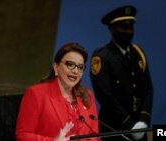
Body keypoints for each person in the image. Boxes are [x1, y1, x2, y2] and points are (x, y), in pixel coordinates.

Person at [90, 5, 153, 141]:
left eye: (131, 27)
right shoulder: (102, 57)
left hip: (140, 127)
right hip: (114, 129)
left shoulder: (138, 53)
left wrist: (143, 120)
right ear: (112, 29)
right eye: (124, 27)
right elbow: (106, 97)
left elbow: (148, 89)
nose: (129, 31)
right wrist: (130, 126)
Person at [16, 42, 100, 141]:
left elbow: (94, 136)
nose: (75, 71)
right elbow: (23, 135)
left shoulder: (87, 95)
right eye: (70, 64)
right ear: (56, 67)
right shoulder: (36, 94)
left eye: (80, 67)